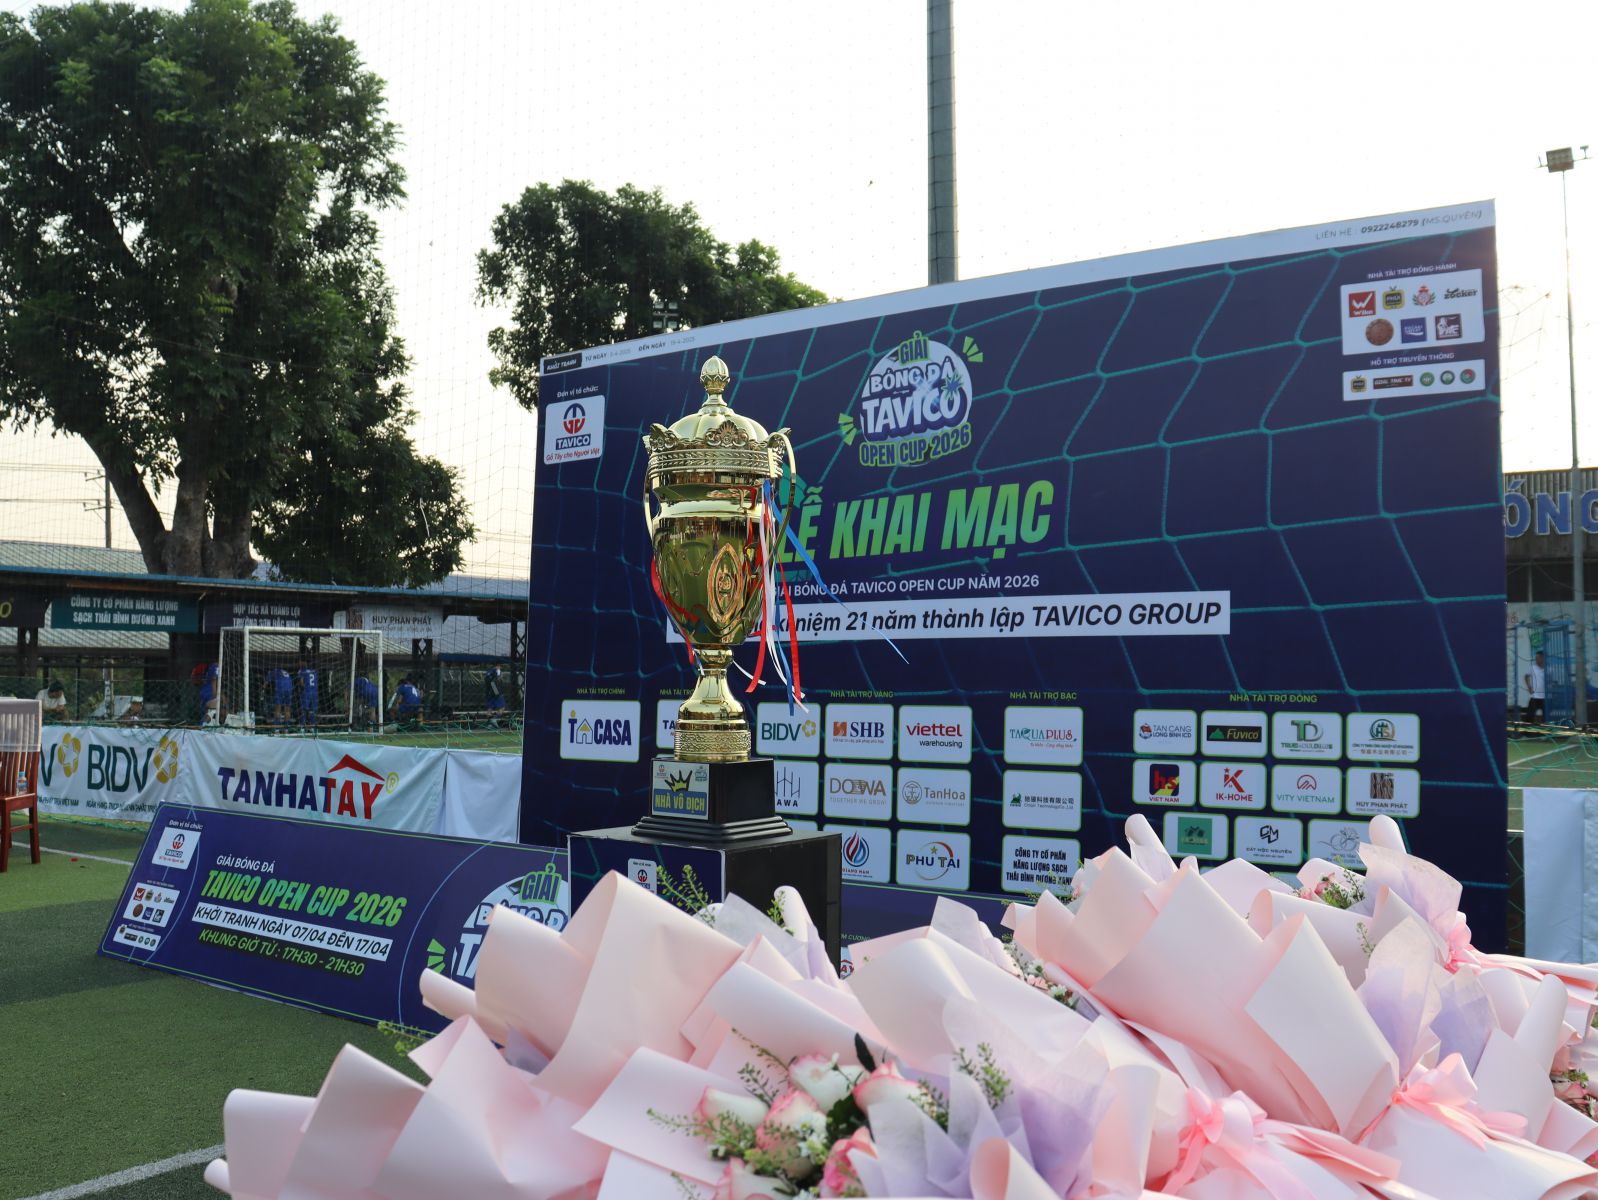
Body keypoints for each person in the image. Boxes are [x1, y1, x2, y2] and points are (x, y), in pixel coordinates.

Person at [1524, 650, 1547, 723]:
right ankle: (1527, 729)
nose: (1536, 660)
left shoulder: (1548, 668)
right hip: (1535, 696)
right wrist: (1529, 687)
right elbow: (1526, 676)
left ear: (1542, 658)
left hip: (1545, 697)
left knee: (1546, 717)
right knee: (1529, 716)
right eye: (1536, 658)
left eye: (1538, 658)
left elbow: (1551, 681)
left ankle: (1546, 729)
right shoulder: (1532, 668)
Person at [295, 661, 319, 728]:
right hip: (314, 693)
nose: (299, 663)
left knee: (303, 709)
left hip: (306, 692)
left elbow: (301, 683)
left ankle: (302, 726)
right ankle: (312, 726)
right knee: (312, 710)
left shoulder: (302, 671)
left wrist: (300, 688)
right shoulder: (314, 671)